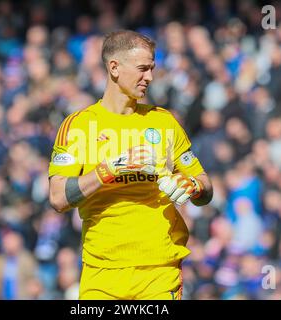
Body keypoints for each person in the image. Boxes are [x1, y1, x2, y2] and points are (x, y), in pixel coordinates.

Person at [48, 30, 213, 300]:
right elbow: (57, 198)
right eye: (142, 69)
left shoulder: (163, 122)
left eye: (152, 68)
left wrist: (192, 185)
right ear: (114, 68)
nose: (149, 77)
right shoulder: (78, 126)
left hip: (159, 271)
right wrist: (110, 169)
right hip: (101, 273)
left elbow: (205, 188)